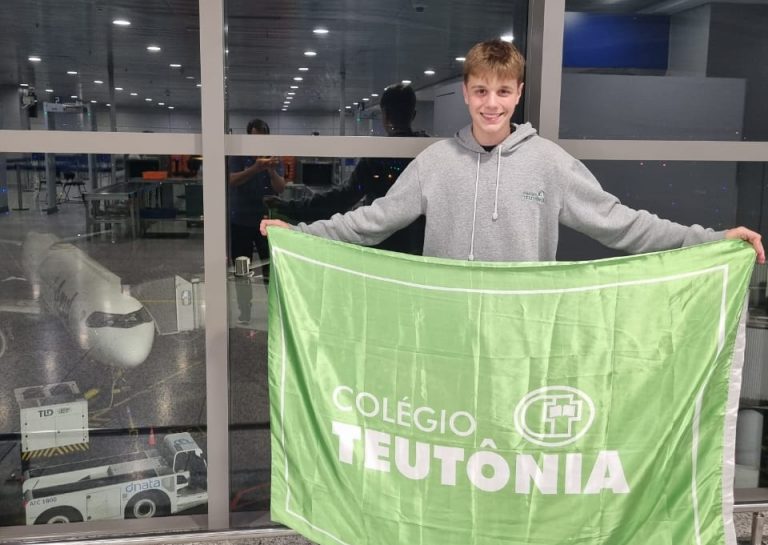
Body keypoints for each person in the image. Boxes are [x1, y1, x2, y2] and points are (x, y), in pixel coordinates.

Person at [261, 39, 764, 264]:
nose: (491, 104)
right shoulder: (434, 163)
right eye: (481, 91)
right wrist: (301, 234)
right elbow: (372, 221)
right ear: (465, 93)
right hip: (448, 325)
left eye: (503, 92)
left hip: (521, 331)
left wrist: (711, 240)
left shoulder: (551, 164)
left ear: (518, 94)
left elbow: (623, 225)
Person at [265, 83, 429, 255]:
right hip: (420, 251)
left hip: (383, 251)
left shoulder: (378, 159)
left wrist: (289, 208)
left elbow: (341, 198)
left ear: (385, 115)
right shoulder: (428, 153)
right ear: (413, 115)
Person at [229, 119, 287, 322]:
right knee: (241, 268)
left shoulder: (274, 157)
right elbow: (232, 180)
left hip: (266, 223)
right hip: (240, 222)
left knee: (270, 268)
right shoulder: (238, 155)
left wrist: (270, 169)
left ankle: (274, 312)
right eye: (255, 138)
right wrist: (255, 167)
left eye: (262, 138)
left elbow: (280, 188)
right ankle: (244, 310)